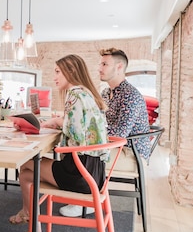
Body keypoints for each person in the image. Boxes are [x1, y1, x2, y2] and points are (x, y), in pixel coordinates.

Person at [9, 54, 108, 232]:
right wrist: (59, 123)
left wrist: (58, 128)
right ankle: (30, 223)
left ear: (70, 72)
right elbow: (81, 125)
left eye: (57, 72)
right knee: (27, 174)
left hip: (80, 174)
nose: (54, 76)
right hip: (95, 174)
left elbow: (77, 136)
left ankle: (29, 220)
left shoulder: (74, 94)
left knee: (25, 167)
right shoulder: (86, 93)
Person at [59, 47, 150, 217]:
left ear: (119, 67)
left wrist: (83, 128)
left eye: (105, 64)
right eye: (100, 64)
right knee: (76, 144)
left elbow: (119, 132)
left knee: (79, 148)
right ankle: (78, 192)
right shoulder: (106, 93)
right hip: (113, 145)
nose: (99, 68)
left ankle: (86, 198)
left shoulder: (131, 96)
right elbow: (96, 122)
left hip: (130, 152)